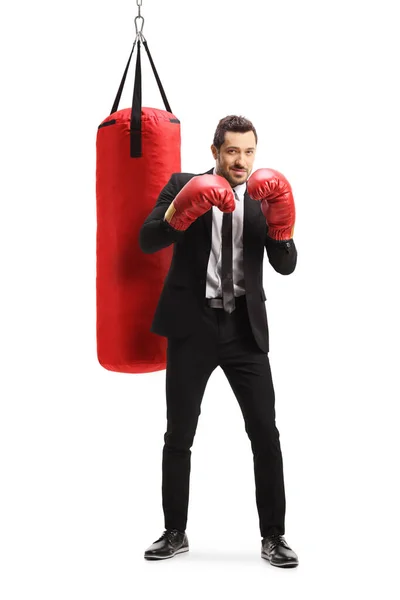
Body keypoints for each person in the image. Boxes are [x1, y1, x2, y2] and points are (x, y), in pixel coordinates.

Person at [138, 115, 298, 568]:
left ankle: (274, 536)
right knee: (179, 435)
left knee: (265, 434)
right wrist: (179, 212)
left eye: (248, 152)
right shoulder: (181, 183)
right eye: (232, 151)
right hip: (193, 326)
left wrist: (283, 227)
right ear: (215, 152)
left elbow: (285, 266)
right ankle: (174, 532)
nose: (241, 160)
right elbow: (147, 240)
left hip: (244, 330)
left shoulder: (265, 196)